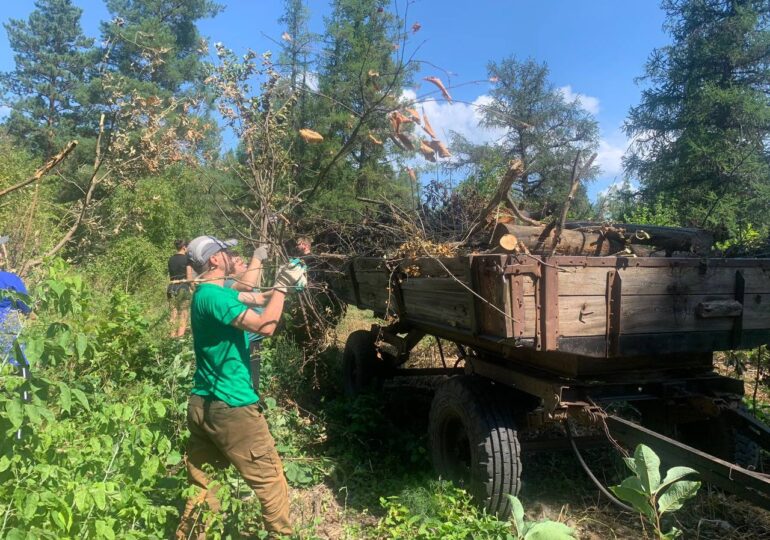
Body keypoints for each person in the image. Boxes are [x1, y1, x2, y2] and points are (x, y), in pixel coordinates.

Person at [176, 235, 305, 539]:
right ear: (215, 260)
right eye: (226, 251)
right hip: (231, 406)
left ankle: (192, 534)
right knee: (270, 480)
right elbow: (266, 326)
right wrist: (285, 286)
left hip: (202, 404)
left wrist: (285, 282)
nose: (232, 256)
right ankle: (281, 535)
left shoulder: (211, 293)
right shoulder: (216, 297)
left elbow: (259, 298)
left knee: (203, 486)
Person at [0, 236, 31, 366]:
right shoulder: (11, 280)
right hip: (7, 327)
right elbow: (26, 305)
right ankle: (24, 381)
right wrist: (30, 314)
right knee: (18, 362)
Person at [167, 239, 192, 338]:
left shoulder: (170, 259)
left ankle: (172, 338)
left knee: (173, 315)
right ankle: (179, 340)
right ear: (184, 247)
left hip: (171, 287)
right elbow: (189, 278)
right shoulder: (187, 259)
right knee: (183, 315)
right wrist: (194, 286)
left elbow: (171, 275)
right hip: (183, 288)